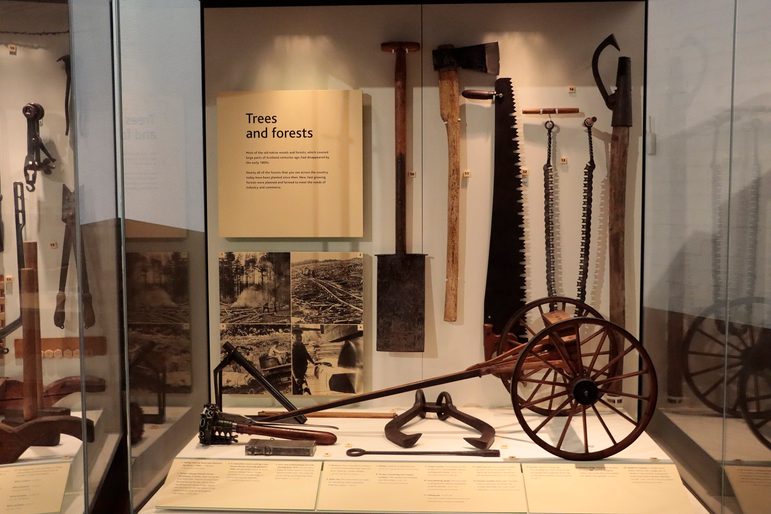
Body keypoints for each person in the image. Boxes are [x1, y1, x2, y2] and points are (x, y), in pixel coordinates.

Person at [291, 329, 315, 394]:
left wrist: (313, 363)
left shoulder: (302, 345)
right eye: (297, 337)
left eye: (300, 337)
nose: (299, 338)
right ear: (293, 337)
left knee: (303, 386)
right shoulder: (293, 348)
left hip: (303, 370)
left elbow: (306, 354)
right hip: (297, 373)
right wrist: (296, 377)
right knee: (297, 389)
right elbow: (292, 364)